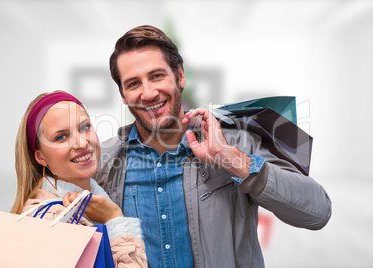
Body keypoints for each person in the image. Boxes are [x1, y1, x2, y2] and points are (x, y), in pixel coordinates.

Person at [94, 25, 332, 267]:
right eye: (133, 83)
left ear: (180, 75)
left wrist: (233, 161)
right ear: (123, 95)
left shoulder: (235, 143)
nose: (148, 92)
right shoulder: (105, 163)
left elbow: (317, 213)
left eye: (157, 76)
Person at [11, 91, 148, 267]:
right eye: (61, 137)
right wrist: (115, 220)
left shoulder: (95, 197)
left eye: (84, 127)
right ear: (40, 157)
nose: (82, 143)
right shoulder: (49, 220)